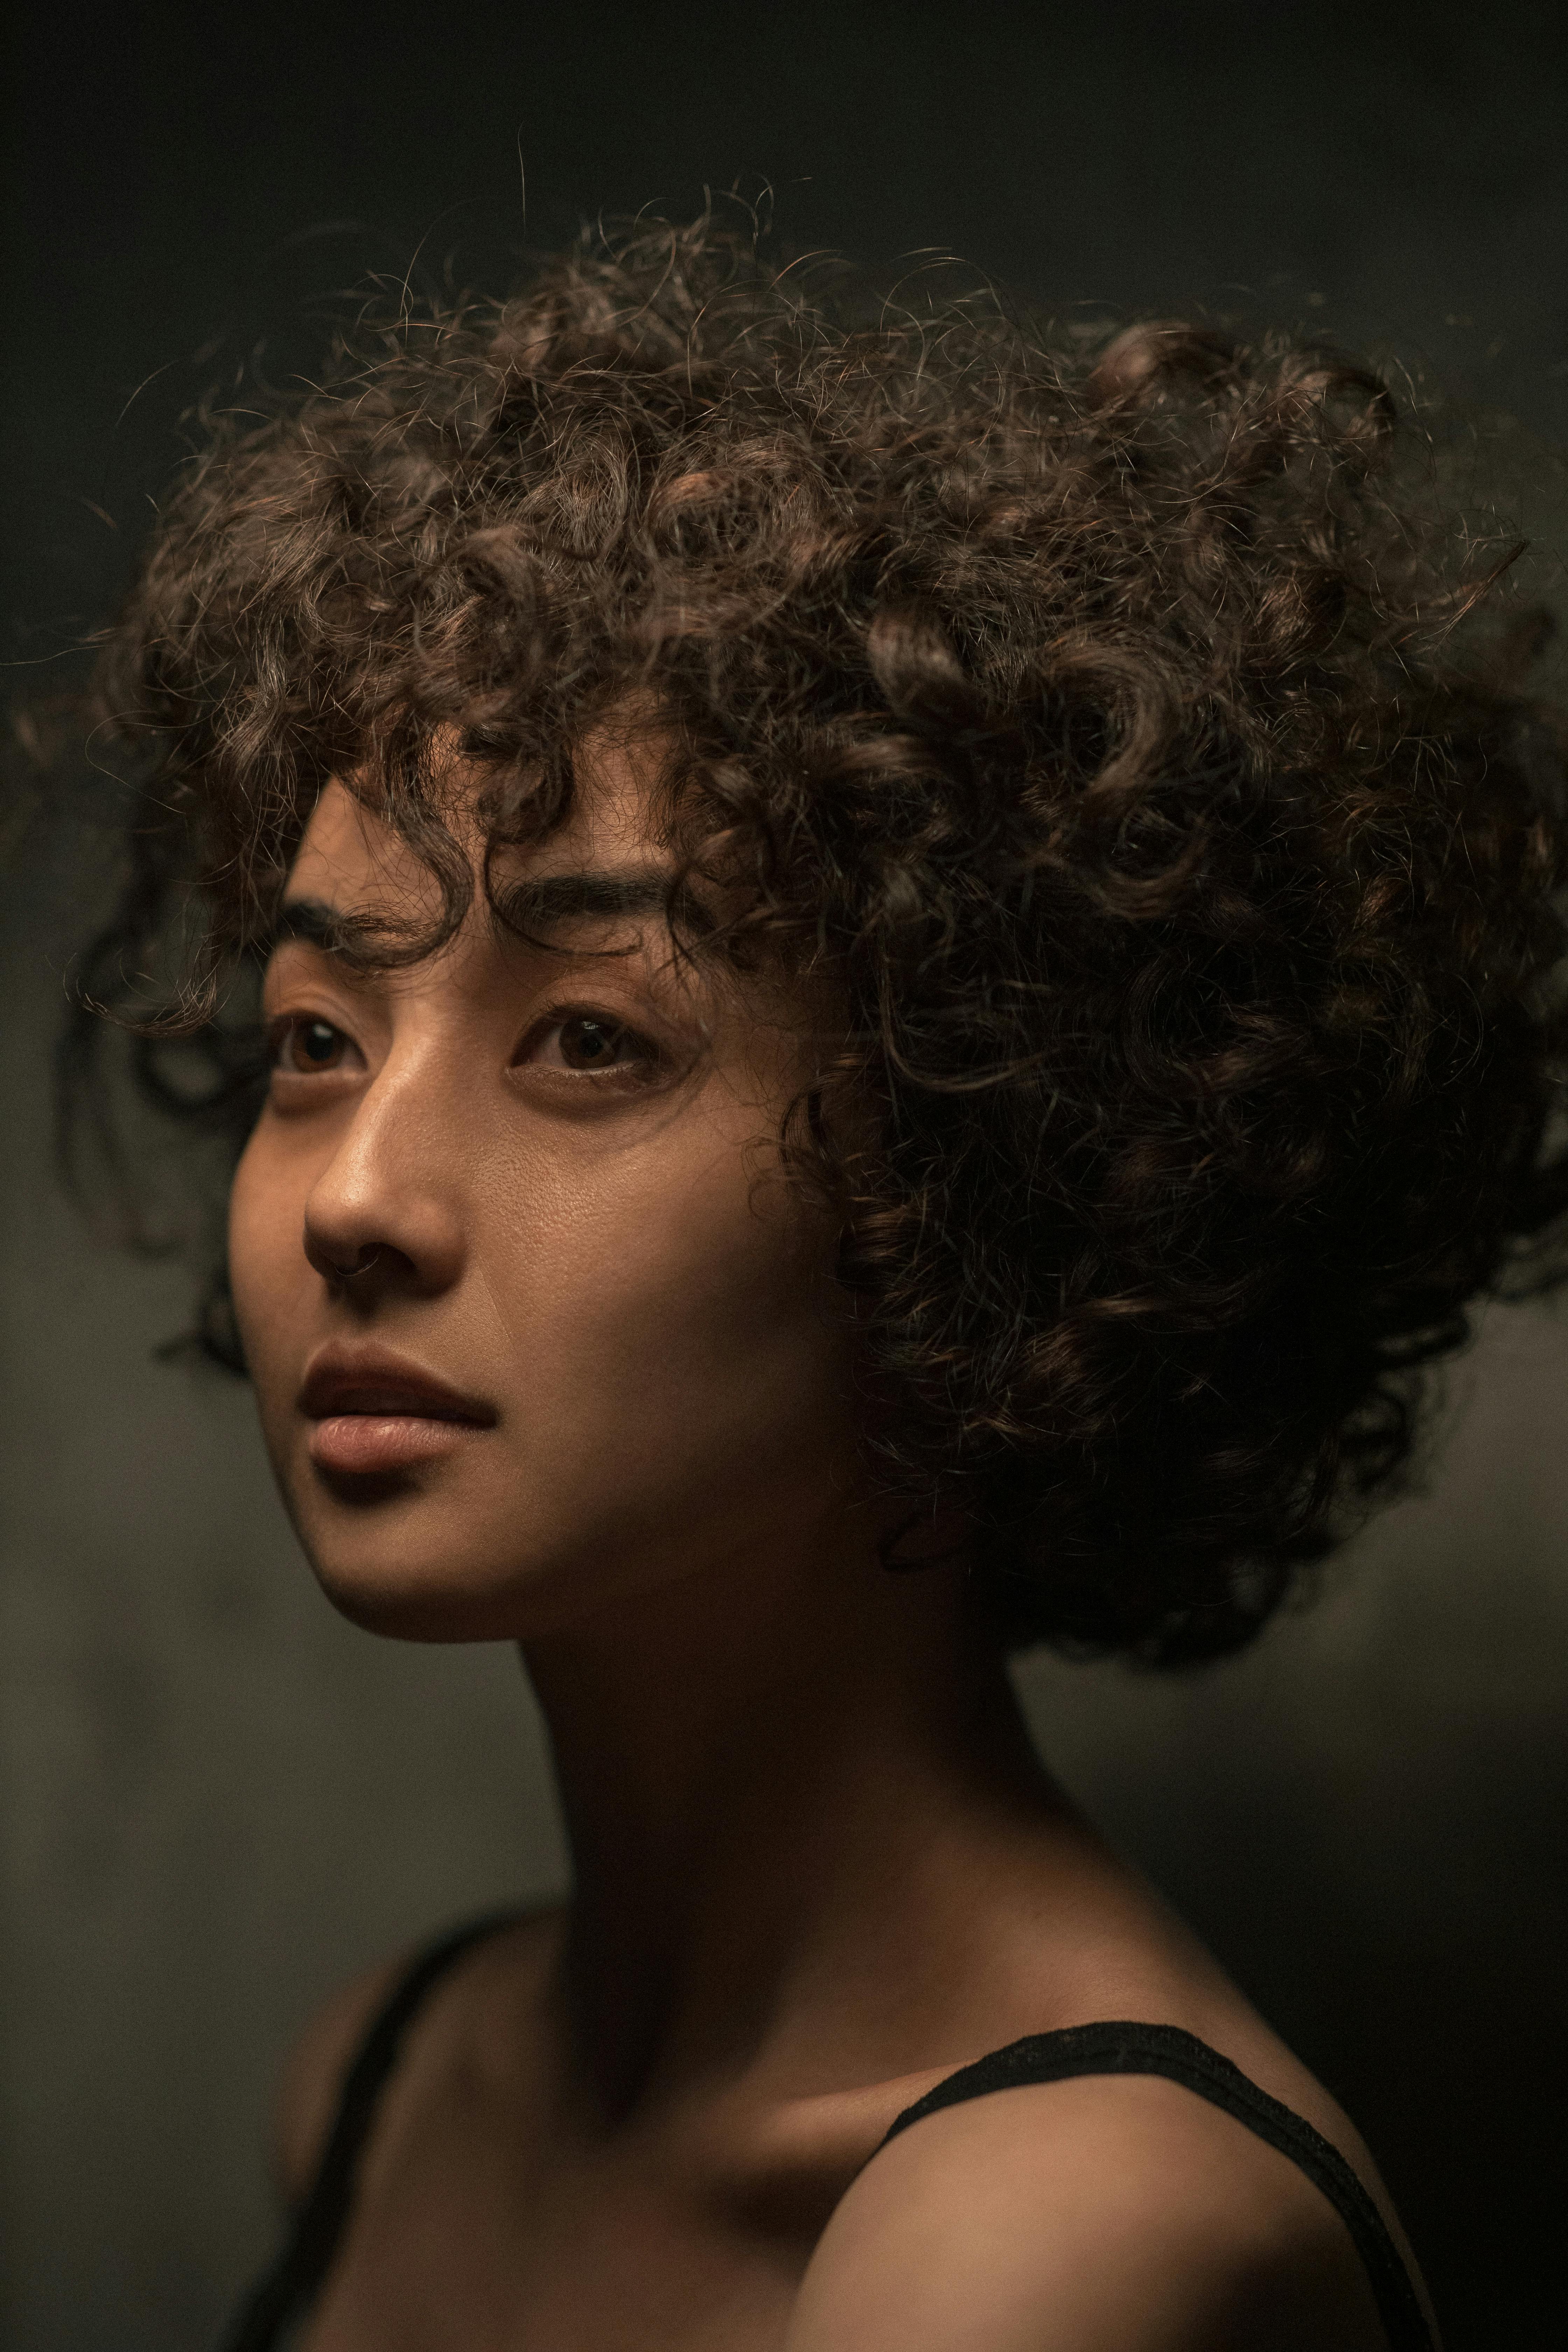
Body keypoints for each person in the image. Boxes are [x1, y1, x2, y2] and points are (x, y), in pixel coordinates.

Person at [70, 219, 1568, 2350]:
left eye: (592, 1038)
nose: (358, 1194)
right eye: (320, 1037)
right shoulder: (390, 2086)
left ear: (992, 1170)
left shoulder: (1057, 2246)